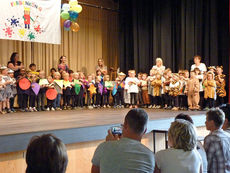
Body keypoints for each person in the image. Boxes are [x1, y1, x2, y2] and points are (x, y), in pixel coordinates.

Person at [91, 108, 155, 173]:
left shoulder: (103, 147)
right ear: (145, 131)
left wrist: (109, 144)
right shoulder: (150, 156)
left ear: (125, 124)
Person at [204, 109, 230, 173]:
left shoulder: (210, 139)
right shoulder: (228, 135)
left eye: (207, 120)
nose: (205, 122)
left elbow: (206, 163)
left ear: (212, 122)